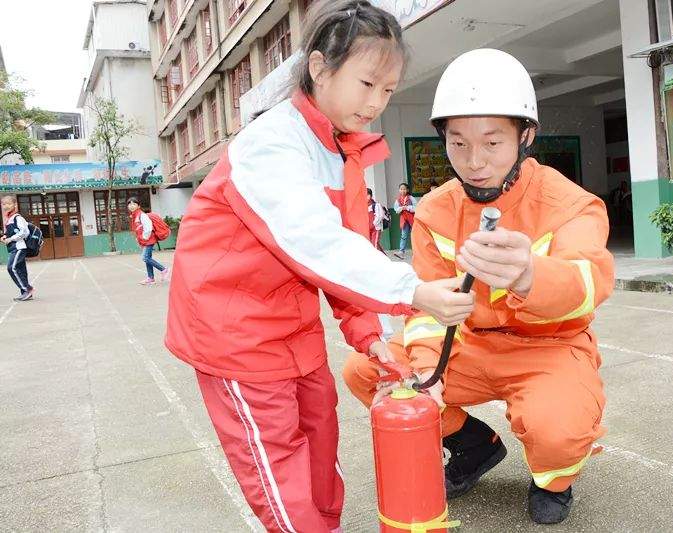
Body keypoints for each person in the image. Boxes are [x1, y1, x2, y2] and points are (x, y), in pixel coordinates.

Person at [164, 2, 474, 531]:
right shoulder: (271, 144)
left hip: (291, 324)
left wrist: (369, 335)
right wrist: (414, 291)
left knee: (320, 448)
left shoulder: (337, 146)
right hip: (234, 335)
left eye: (389, 90)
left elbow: (349, 248)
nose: (376, 103)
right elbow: (317, 244)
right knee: (278, 468)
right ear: (319, 68)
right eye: (367, 83)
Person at [343, 49, 614, 525]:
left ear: (525, 135)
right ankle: (472, 445)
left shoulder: (572, 203)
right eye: (458, 143)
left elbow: (591, 280)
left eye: (492, 143)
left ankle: (553, 478)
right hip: (467, 344)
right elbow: (427, 305)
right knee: (368, 370)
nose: (474, 162)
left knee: (560, 430)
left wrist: (530, 275)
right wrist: (428, 375)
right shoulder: (433, 211)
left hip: (548, 347)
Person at [128, 197, 169, 285]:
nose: (131, 206)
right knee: (148, 258)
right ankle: (151, 278)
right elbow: (138, 229)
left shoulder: (141, 215)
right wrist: (139, 238)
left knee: (145, 258)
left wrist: (144, 238)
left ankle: (163, 269)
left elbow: (148, 227)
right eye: (130, 204)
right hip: (145, 240)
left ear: (138, 206)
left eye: (134, 204)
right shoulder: (134, 216)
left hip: (148, 240)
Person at [1, 195, 33, 301]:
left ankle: (27, 289)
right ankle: (25, 293)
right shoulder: (9, 219)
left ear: (15, 205)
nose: (6, 206)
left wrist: (11, 239)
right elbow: (10, 232)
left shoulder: (17, 217)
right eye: (4, 204)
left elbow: (25, 232)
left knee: (11, 268)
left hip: (19, 247)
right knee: (21, 270)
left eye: (9, 203)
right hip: (13, 248)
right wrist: (5, 237)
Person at [392, 182, 416, 259]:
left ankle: (417, 251)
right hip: (404, 220)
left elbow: (416, 207)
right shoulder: (398, 200)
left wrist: (408, 207)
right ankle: (401, 251)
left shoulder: (411, 198)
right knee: (404, 236)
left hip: (412, 219)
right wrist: (401, 208)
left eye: (404, 189)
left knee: (415, 235)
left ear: (407, 190)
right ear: (399, 190)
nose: (403, 191)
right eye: (401, 189)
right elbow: (396, 209)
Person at [366, 187, 386, 252]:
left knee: (374, 245)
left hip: (376, 228)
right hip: (368, 229)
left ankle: (377, 260)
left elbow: (380, 215)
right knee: (373, 244)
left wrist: (374, 223)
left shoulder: (376, 205)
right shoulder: (364, 206)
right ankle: (384, 258)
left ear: (370, 196)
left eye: (366, 195)